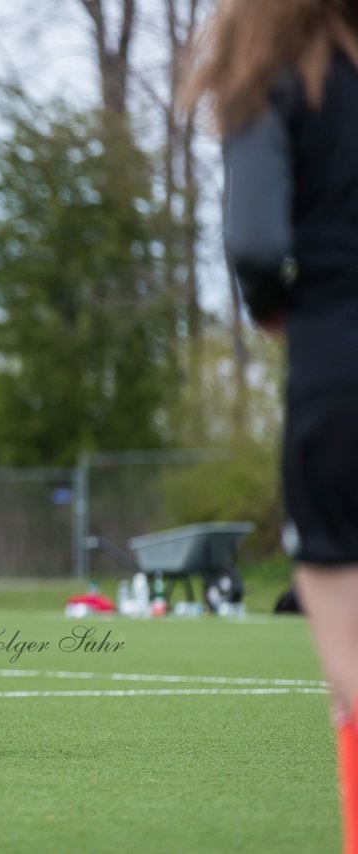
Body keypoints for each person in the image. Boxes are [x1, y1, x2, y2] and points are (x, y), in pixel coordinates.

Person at [187, 1, 358, 848]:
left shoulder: (273, 76)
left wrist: (275, 308)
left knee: (353, 685)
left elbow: (255, 241)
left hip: (339, 374)